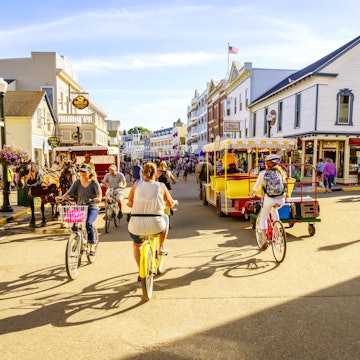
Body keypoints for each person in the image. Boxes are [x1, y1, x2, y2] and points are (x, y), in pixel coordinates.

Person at [127, 162, 179, 274]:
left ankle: (141, 270)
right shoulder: (161, 186)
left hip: (136, 226)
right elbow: (170, 204)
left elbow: (130, 203)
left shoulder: (136, 184)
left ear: (143, 173)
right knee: (165, 216)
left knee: (137, 245)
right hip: (156, 224)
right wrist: (175, 202)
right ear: (156, 173)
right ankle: (160, 247)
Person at [56, 163, 102, 255]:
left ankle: (91, 246)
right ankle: (77, 239)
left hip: (92, 207)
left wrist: (98, 199)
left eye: (84, 172)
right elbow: (69, 193)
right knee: (74, 226)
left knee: (88, 224)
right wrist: (61, 198)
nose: (82, 173)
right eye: (81, 171)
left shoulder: (94, 183)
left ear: (89, 172)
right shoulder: (77, 182)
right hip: (81, 207)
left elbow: (99, 195)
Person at [249, 154, 287, 250]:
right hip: (281, 199)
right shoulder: (281, 173)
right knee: (275, 210)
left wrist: (252, 193)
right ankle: (278, 232)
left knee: (263, 218)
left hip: (269, 199)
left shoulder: (263, 173)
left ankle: (265, 239)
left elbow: (256, 186)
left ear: (267, 164)